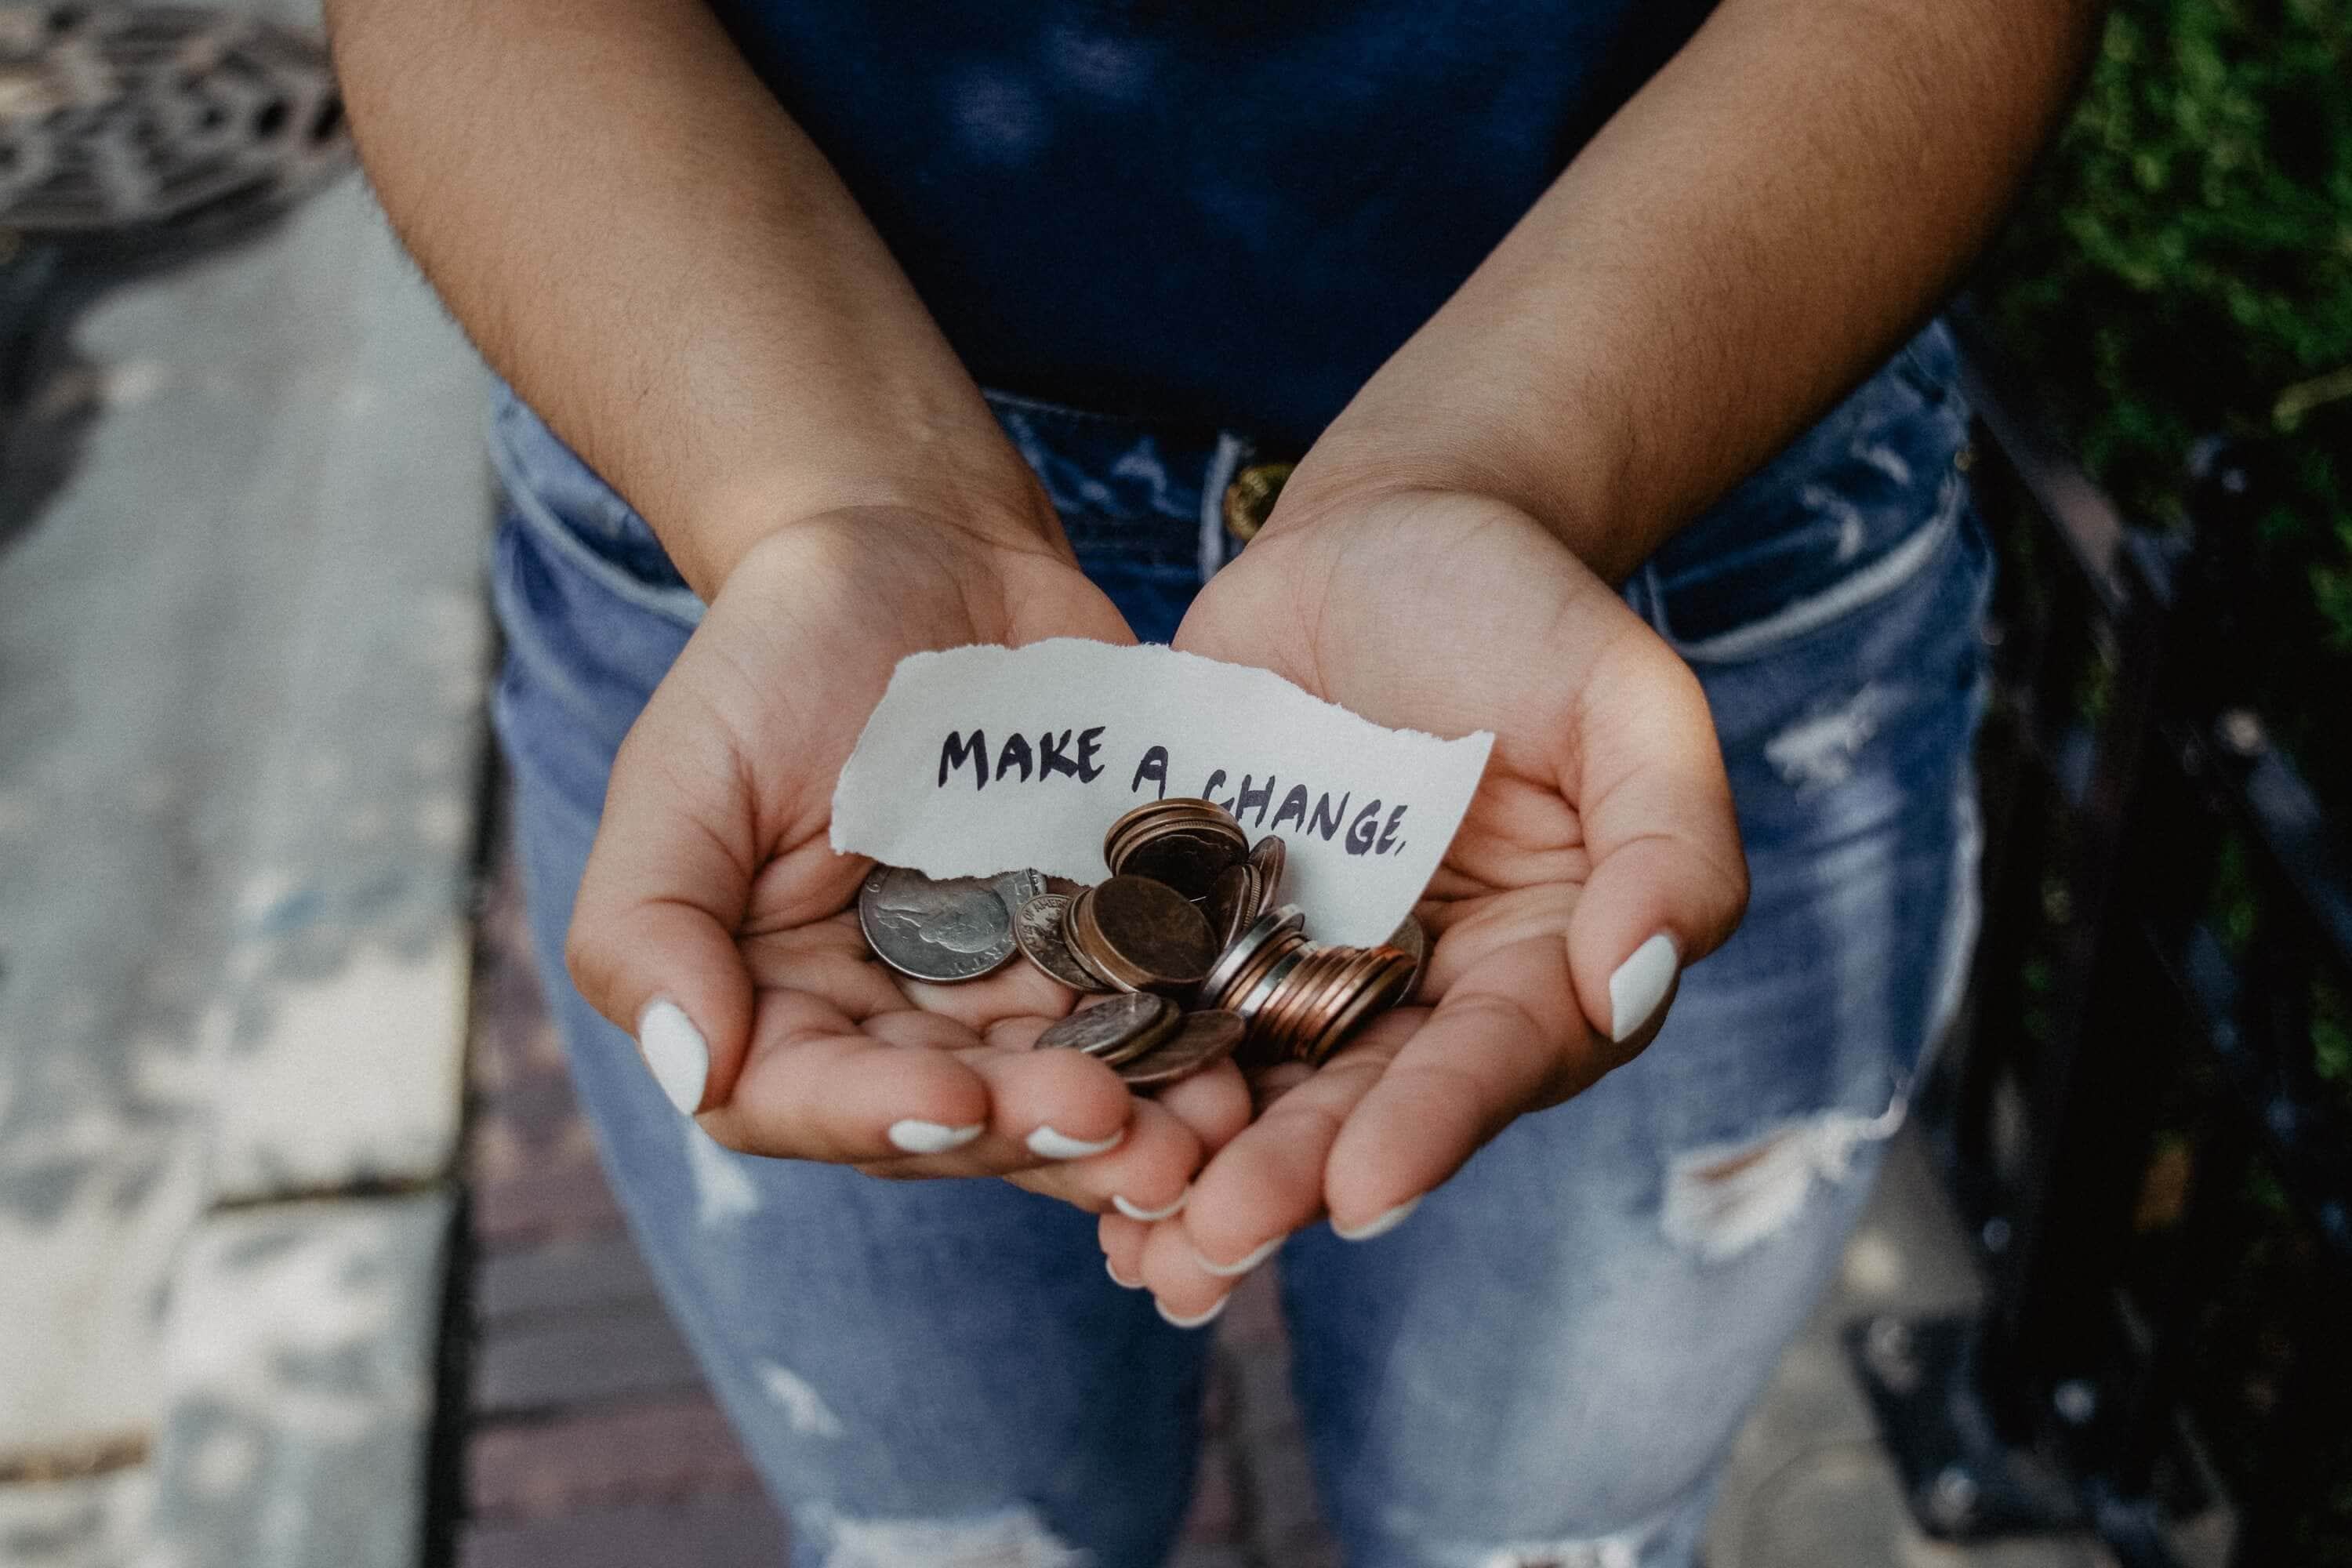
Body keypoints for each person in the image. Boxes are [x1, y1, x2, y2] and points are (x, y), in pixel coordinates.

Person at [331, 2, 2100, 1563]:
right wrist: (824, 514)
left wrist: (1495, 471)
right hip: (746, 511)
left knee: (1550, 1549)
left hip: (1682, 485)